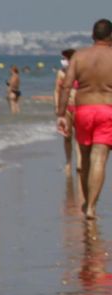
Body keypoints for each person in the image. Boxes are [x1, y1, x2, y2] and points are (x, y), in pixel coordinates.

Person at [60, 20, 112, 219]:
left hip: (83, 111)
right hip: (107, 110)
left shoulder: (79, 56)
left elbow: (66, 86)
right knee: (99, 157)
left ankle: (86, 203)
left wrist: (61, 114)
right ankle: (91, 206)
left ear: (93, 36)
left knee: (85, 158)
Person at [58, 49, 79, 174]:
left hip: (79, 107)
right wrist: (58, 108)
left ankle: (80, 161)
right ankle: (69, 162)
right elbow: (57, 91)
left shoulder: (80, 72)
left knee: (79, 136)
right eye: (65, 58)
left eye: (67, 58)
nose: (65, 61)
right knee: (67, 136)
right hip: (66, 108)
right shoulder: (61, 73)